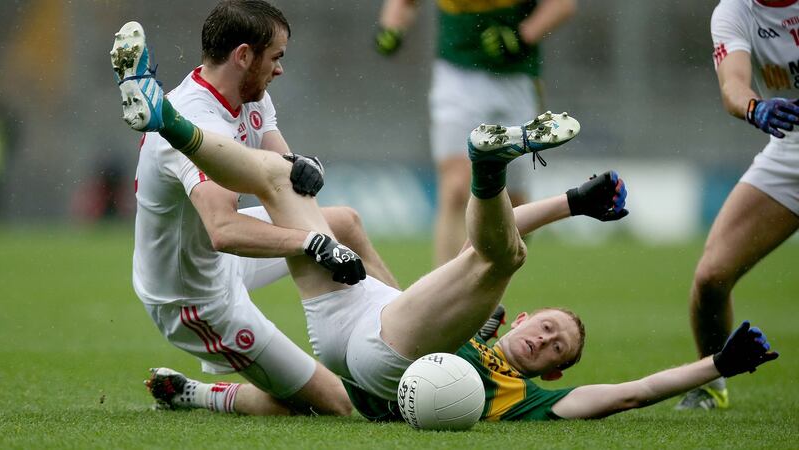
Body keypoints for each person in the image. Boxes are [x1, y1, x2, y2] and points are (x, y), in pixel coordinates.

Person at [112, 22, 779, 422]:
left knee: (500, 258)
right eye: (550, 328)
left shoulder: (521, 396)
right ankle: (164, 116)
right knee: (299, 190)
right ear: (522, 319)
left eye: (556, 352)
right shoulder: (482, 325)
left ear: (550, 374)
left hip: (382, 359)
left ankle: (487, 171)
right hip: (359, 316)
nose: (546, 342)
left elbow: (625, 393)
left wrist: (715, 364)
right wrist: (574, 203)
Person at [116, 1, 399, 418]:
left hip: (218, 260)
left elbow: (284, 175)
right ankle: (196, 393)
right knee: (335, 404)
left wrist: (304, 166)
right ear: (244, 55)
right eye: (276, 57)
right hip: (194, 296)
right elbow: (224, 231)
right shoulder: (199, 119)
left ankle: (407, 328)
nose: (280, 69)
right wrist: (312, 242)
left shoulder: (249, 96)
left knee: (346, 222)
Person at [375, 0, 577, 267]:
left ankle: (493, 276)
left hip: (516, 80)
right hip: (457, 77)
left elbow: (562, 5)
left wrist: (522, 35)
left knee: (513, 206)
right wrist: (392, 28)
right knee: (456, 188)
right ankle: (446, 296)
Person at [675, 0, 799, 411]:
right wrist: (755, 106)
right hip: (791, 151)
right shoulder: (733, 11)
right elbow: (733, 85)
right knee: (711, 277)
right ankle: (709, 383)